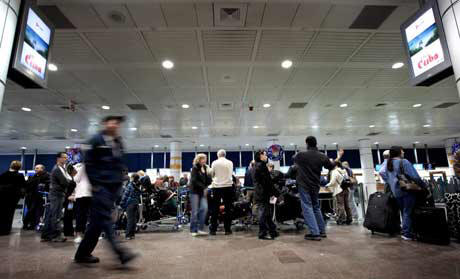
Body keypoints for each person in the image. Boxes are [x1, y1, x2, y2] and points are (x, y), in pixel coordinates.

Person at [74, 116, 137, 264]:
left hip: (112, 189)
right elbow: (88, 163)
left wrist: (118, 185)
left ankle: (82, 254)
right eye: (112, 122)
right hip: (101, 188)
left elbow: (120, 164)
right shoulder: (96, 140)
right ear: (105, 123)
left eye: (117, 123)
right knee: (105, 219)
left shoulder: (118, 142)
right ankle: (121, 252)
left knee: (97, 223)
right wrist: (95, 184)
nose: (115, 125)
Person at [294, 136, 342, 241]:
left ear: (307, 143)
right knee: (316, 207)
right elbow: (331, 166)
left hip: (304, 185)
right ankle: (322, 231)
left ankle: (314, 233)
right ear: (316, 143)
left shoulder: (301, 155)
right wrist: (338, 157)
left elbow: (294, 161)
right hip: (315, 185)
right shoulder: (322, 156)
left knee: (307, 207)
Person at [379, 146, 427, 241]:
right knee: (408, 211)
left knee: (403, 211)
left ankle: (406, 230)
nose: (403, 152)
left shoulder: (388, 163)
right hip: (407, 190)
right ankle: (407, 233)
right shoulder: (404, 161)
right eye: (402, 151)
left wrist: (390, 182)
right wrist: (423, 185)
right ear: (398, 152)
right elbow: (415, 176)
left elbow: (383, 173)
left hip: (396, 192)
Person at [41, 152, 75, 242]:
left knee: (53, 214)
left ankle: (47, 234)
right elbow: (65, 182)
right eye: (64, 157)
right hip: (56, 195)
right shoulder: (57, 169)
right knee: (56, 215)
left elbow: (67, 180)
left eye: (66, 157)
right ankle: (56, 235)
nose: (66, 159)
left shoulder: (62, 168)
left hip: (59, 194)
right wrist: (72, 182)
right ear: (58, 158)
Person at [254, 150, 279, 240]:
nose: (266, 156)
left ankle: (273, 230)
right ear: (260, 156)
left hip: (260, 192)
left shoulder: (256, 165)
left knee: (267, 212)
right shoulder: (261, 166)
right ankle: (262, 233)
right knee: (263, 213)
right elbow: (267, 182)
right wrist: (274, 192)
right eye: (264, 155)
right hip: (263, 193)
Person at [209, 149, 234, 235]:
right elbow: (230, 174)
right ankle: (228, 229)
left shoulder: (214, 163)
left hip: (217, 187)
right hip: (228, 186)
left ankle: (213, 230)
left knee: (215, 209)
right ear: (225, 155)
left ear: (218, 155)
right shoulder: (230, 162)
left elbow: (212, 174)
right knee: (228, 209)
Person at [0, 161, 26, 235]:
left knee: (2, 212)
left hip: (2, 196)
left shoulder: (3, 174)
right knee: (10, 213)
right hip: (13, 197)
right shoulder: (20, 175)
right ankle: (6, 230)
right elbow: (23, 186)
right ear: (19, 167)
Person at [189, 153, 212, 237]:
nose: (205, 160)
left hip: (202, 192)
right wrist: (204, 188)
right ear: (199, 160)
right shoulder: (195, 168)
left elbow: (208, 180)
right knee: (195, 211)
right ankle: (193, 230)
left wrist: (209, 175)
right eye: (203, 159)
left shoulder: (205, 168)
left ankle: (200, 229)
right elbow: (194, 181)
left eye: (205, 159)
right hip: (194, 192)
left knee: (204, 208)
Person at [23, 164, 50, 230]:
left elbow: (47, 185)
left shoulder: (47, 176)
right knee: (31, 211)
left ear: (42, 169)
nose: (36, 169)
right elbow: (28, 185)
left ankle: (27, 223)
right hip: (31, 196)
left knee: (34, 211)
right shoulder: (33, 176)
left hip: (40, 196)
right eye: (35, 168)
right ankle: (31, 224)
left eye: (37, 168)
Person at [72, 163, 92, 244]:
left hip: (82, 195)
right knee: (86, 215)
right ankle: (83, 234)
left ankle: (79, 235)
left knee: (81, 216)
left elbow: (76, 179)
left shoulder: (81, 167)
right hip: (89, 194)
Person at [120, 173, 142, 240]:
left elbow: (125, 195)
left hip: (130, 204)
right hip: (136, 204)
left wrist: (122, 203)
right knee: (134, 219)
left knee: (129, 220)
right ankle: (132, 234)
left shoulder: (130, 185)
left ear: (132, 178)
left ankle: (128, 235)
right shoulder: (138, 185)